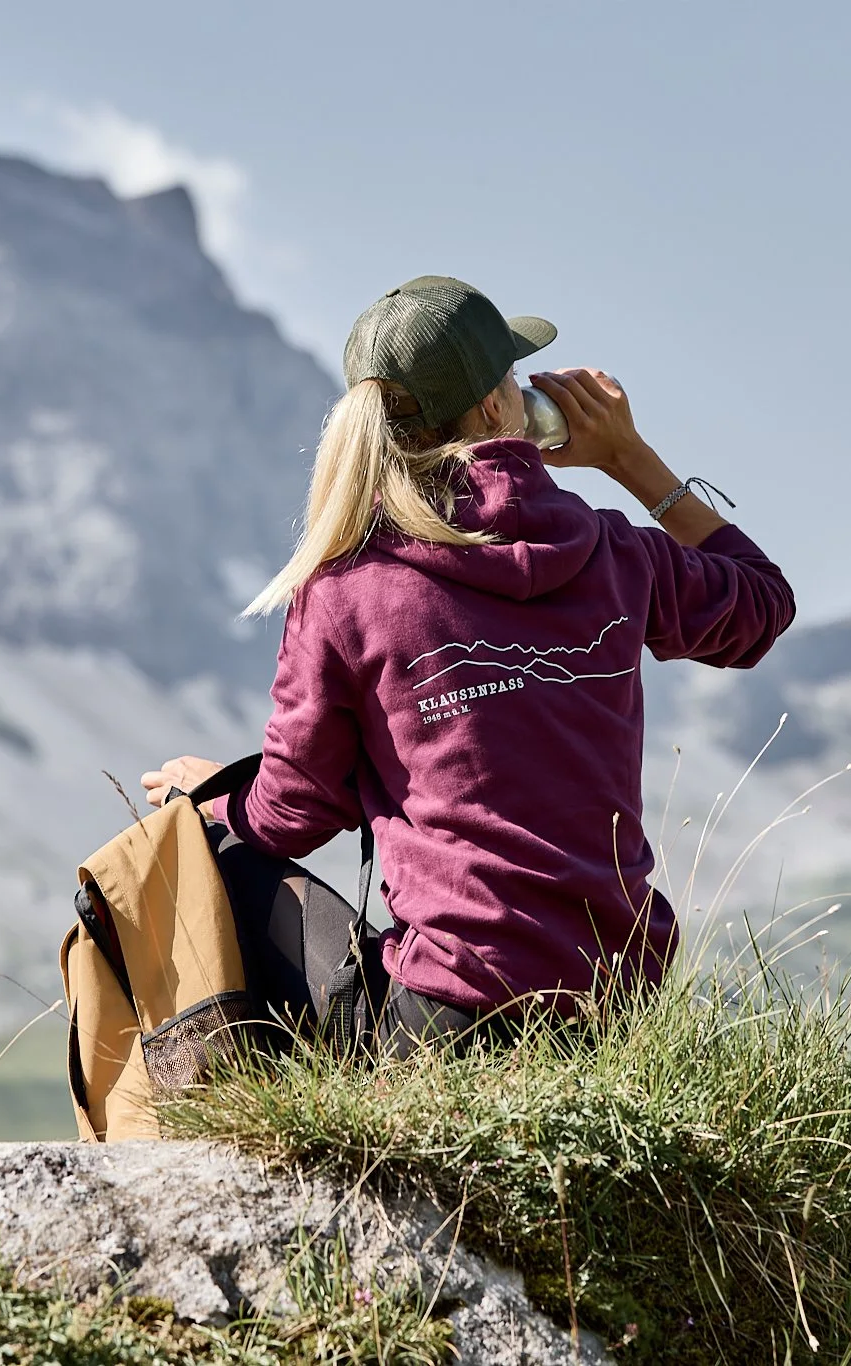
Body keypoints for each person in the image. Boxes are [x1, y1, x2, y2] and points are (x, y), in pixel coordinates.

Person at [141, 275, 794, 1055]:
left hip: (446, 1018)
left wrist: (208, 802)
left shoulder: (347, 588)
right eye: (513, 378)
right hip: (614, 1006)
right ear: (494, 409)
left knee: (211, 854)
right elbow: (761, 609)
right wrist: (631, 459)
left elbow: (292, 815)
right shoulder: (617, 552)